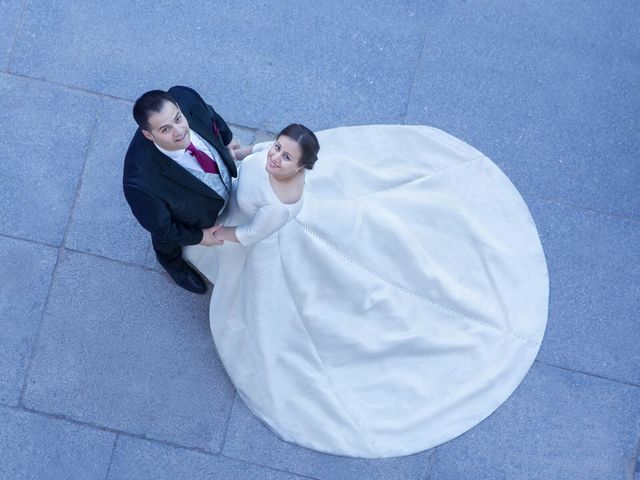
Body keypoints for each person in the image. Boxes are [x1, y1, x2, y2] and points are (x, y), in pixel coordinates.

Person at [184, 124, 549, 458]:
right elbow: (259, 152)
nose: (276, 157)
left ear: (301, 167)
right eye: (277, 148)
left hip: (264, 239)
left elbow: (250, 235)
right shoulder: (269, 159)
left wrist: (217, 236)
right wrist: (247, 152)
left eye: (285, 157)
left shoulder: (281, 205)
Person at [123, 86, 240, 294]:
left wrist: (228, 139)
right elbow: (162, 227)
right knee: (165, 240)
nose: (179, 132)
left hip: (213, 194)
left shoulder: (186, 97)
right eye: (165, 129)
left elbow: (211, 116)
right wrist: (199, 237)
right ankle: (172, 264)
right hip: (181, 219)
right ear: (149, 136)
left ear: (179, 107)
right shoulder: (140, 183)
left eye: (178, 119)